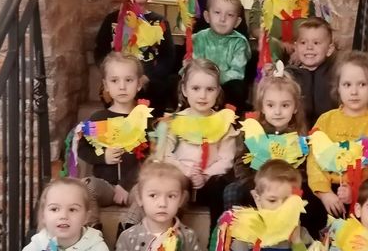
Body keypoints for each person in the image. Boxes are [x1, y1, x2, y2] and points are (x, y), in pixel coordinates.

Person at [224, 68, 325, 238]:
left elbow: (304, 167)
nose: (277, 112)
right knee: (232, 190)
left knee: (311, 199)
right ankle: (232, 238)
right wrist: (255, 184)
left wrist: (290, 186)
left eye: (285, 105)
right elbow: (241, 162)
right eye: (271, 105)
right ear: (262, 107)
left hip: (289, 186)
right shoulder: (252, 131)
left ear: (295, 107)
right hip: (257, 183)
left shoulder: (300, 136)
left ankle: (307, 243)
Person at [307, 51, 368, 218]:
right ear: (338, 88)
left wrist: (358, 192)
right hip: (328, 193)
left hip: (364, 196)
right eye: (347, 85)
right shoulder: (326, 120)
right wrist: (325, 193)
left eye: (361, 84)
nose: (354, 92)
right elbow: (314, 160)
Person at [76, 53, 156, 221]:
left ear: (139, 84)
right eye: (114, 81)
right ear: (106, 85)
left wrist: (126, 185)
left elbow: (149, 158)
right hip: (104, 185)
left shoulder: (145, 119)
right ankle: (93, 229)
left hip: (133, 187)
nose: (122, 87)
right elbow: (83, 148)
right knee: (86, 187)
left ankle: (129, 229)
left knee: (149, 193)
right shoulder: (98, 118)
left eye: (129, 80)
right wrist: (103, 156)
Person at [160, 58, 237, 231]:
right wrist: (187, 172)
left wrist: (206, 175)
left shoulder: (223, 122)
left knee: (221, 189)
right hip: (181, 177)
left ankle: (215, 239)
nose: (203, 96)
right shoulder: (175, 121)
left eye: (210, 89)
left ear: (218, 91)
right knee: (168, 185)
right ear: (184, 90)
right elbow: (165, 153)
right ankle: (169, 234)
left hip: (209, 181)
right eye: (196, 88)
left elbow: (227, 158)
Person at [93, 0, 175, 115]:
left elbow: (167, 57)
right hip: (119, 81)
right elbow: (100, 51)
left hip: (148, 83)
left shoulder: (160, 22)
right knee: (110, 90)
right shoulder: (111, 20)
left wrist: (148, 77)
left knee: (159, 89)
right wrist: (111, 72)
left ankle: (149, 126)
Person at [191, 0, 251, 110]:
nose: (222, 19)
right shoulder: (199, 38)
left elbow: (237, 72)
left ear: (237, 22)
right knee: (179, 80)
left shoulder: (239, 42)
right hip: (201, 84)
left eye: (230, 15)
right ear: (207, 16)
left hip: (225, 86)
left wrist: (214, 80)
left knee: (237, 87)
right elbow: (196, 64)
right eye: (217, 12)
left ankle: (228, 114)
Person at [287, 18, 337, 127]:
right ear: (296, 47)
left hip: (330, 131)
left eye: (316, 43)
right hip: (297, 132)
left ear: (329, 50)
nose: (309, 47)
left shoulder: (337, 75)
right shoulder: (289, 76)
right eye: (303, 42)